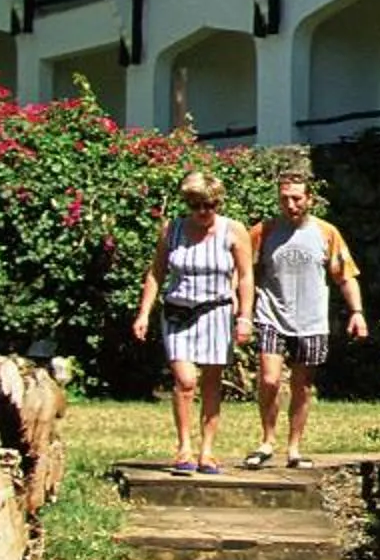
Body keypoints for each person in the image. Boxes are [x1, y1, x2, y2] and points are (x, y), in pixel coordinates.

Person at [131, 169, 257, 474]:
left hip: (216, 311)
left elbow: (246, 275)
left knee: (212, 382)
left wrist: (245, 317)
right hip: (178, 312)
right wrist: (144, 312)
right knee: (186, 381)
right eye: (196, 205)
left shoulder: (233, 230)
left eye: (210, 206)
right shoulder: (171, 230)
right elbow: (156, 273)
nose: (203, 212)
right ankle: (184, 446)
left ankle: (207, 450)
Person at [246, 171, 367, 469]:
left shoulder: (326, 233)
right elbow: (245, 273)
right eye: (284, 198)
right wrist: (243, 312)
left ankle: (294, 448)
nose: (290, 204)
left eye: (297, 198)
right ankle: (267, 441)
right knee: (270, 379)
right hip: (271, 314)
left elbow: (345, 276)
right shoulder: (263, 231)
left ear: (309, 199)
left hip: (311, 320)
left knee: (302, 386)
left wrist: (357, 313)